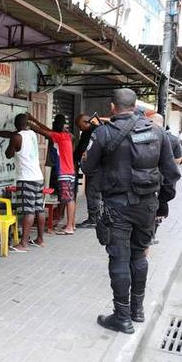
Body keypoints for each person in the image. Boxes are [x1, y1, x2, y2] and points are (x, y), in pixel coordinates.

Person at [82, 88, 180, 334]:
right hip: (147, 205)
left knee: (119, 258)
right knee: (139, 256)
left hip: (117, 207)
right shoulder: (158, 132)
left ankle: (122, 317)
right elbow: (172, 173)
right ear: (135, 105)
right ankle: (137, 310)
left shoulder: (104, 133)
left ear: (112, 107)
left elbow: (87, 166)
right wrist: (162, 203)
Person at [0, 113, 45, 251]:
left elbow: (8, 154)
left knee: (28, 211)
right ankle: (40, 239)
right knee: (39, 209)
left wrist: (12, 146)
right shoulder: (31, 133)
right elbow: (9, 134)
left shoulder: (16, 137)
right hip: (38, 177)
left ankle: (23, 244)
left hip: (26, 179)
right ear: (26, 124)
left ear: (15, 125)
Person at [28, 114, 76, 235]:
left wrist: (29, 124)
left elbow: (43, 131)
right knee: (70, 199)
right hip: (70, 172)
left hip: (64, 172)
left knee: (68, 199)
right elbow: (47, 130)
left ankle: (69, 227)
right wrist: (34, 119)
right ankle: (71, 224)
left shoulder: (58, 137)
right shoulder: (66, 136)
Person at [74, 114, 101, 228]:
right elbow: (81, 148)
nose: (79, 129)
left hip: (96, 169)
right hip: (91, 168)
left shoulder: (97, 132)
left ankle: (94, 219)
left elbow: (86, 148)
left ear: (86, 122)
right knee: (90, 192)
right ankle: (94, 217)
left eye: (80, 126)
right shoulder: (87, 132)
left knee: (92, 193)